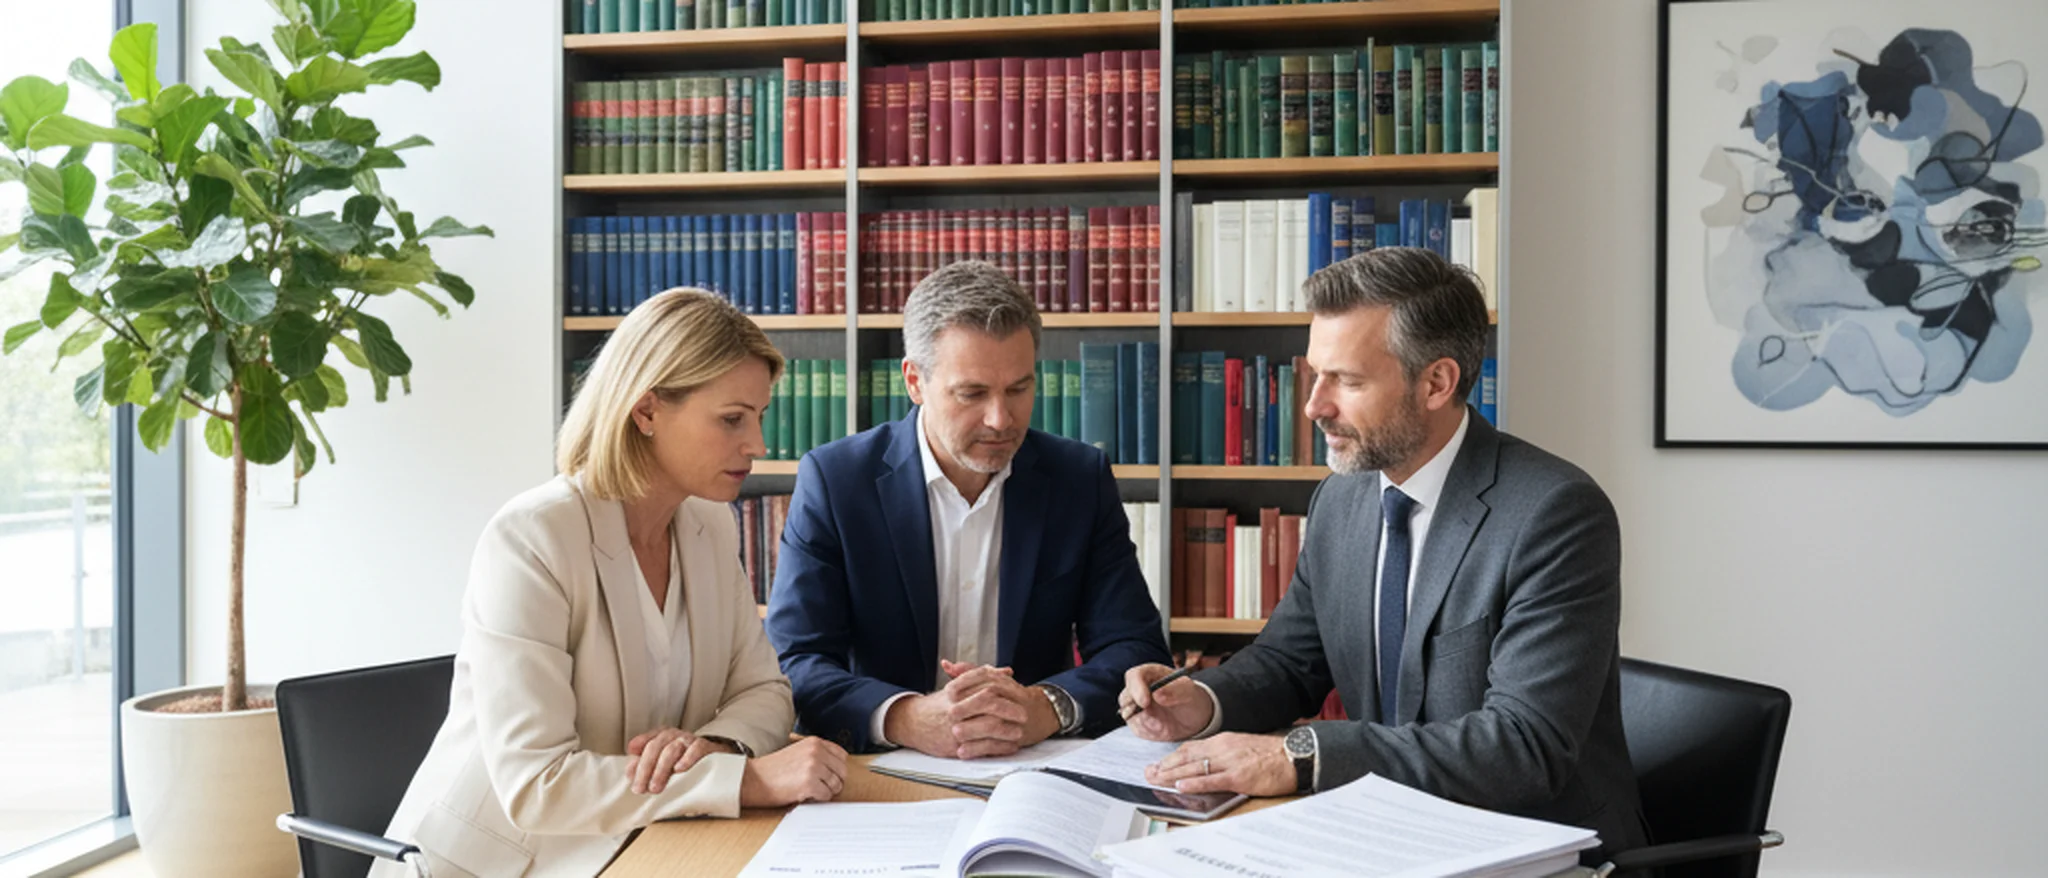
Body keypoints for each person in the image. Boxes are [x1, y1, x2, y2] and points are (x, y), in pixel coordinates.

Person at [1117, 248, 1649, 856]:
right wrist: (1202, 701)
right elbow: (1292, 662)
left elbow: (1524, 746)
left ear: (1436, 382)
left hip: (1531, 846)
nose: (1314, 405)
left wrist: (1299, 755)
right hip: (1386, 831)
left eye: (1346, 380)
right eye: (1314, 374)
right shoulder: (1341, 501)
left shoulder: (1553, 513)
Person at [374, 289, 847, 878]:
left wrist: (717, 747)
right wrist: (742, 780)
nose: (757, 444)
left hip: (644, 848)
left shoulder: (707, 525)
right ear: (646, 411)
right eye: (732, 419)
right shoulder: (532, 539)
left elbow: (765, 690)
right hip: (501, 865)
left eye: (758, 416)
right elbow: (535, 783)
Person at [766, 260, 1172, 759]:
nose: (1001, 419)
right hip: (882, 771)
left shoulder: (1078, 479)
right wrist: (907, 717)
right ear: (915, 382)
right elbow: (796, 661)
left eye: (1019, 389)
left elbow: (1136, 650)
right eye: (972, 393)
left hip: (1031, 767)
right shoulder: (836, 481)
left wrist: (1044, 707)